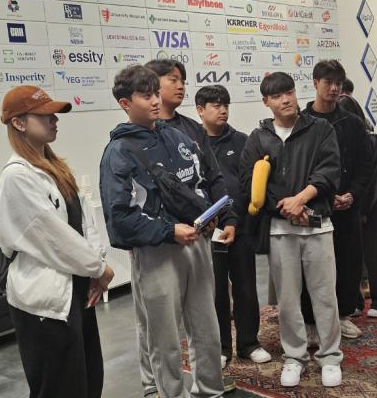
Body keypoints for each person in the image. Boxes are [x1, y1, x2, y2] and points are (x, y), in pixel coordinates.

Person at [99, 65, 229, 398]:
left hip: (196, 245)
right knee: (164, 339)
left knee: (207, 328)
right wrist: (169, 231)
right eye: (146, 96)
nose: (156, 101)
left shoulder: (177, 136)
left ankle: (210, 390)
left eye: (156, 93)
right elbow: (119, 220)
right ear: (125, 103)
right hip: (156, 253)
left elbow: (200, 183)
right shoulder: (118, 152)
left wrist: (209, 214)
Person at [0, 85, 114, 398]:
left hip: (75, 290)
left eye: (55, 114)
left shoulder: (54, 168)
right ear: (19, 122)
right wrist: (98, 268)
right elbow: (53, 237)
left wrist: (95, 266)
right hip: (45, 304)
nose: (54, 120)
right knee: (59, 387)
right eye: (45, 115)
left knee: (88, 381)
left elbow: (83, 224)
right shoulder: (17, 177)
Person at [240, 72, 343, 388]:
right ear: (266, 102)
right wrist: (283, 205)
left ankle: (330, 356)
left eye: (289, 92)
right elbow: (249, 182)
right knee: (287, 300)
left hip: (317, 225)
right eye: (277, 95)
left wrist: (301, 199)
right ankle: (294, 357)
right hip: (280, 228)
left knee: (324, 296)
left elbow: (329, 171)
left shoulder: (320, 129)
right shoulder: (258, 138)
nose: (285, 99)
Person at [143, 59, 238, 380]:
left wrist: (225, 217)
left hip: (198, 236)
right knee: (158, 326)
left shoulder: (192, 129)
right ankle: (156, 386)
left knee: (203, 316)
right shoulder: (136, 137)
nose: (181, 85)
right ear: (151, 85)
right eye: (172, 79)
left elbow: (213, 177)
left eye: (182, 79)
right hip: (160, 242)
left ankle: (208, 382)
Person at [195, 85, 271, 365]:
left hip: (240, 226)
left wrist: (239, 219)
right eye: (216, 105)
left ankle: (249, 343)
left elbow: (250, 183)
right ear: (200, 110)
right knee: (215, 291)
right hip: (209, 229)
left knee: (246, 286)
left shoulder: (242, 141)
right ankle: (221, 347)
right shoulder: (192, 144)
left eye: (225, 105)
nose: (223, 110)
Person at [301, 60, 373, 340]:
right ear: (315, 83)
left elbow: (365, 166)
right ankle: (310, 321)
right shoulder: (301, 122)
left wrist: (352, 194)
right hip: (314, 206)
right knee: (311, 265)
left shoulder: (352, 123)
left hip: (347, 205)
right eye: (327, 82)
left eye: (338, 83)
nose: (333, 88)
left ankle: (343, 315)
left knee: (348, 262)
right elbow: (299, 168)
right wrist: (322, 196)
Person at [337, 93, 377, 318]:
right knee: (351, 257)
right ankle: (355, 301)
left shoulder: (373, 140)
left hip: (373, 205)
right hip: (348, 205)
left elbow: (374, 178)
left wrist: (363, 208)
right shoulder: (339, 142)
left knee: (375, 253)